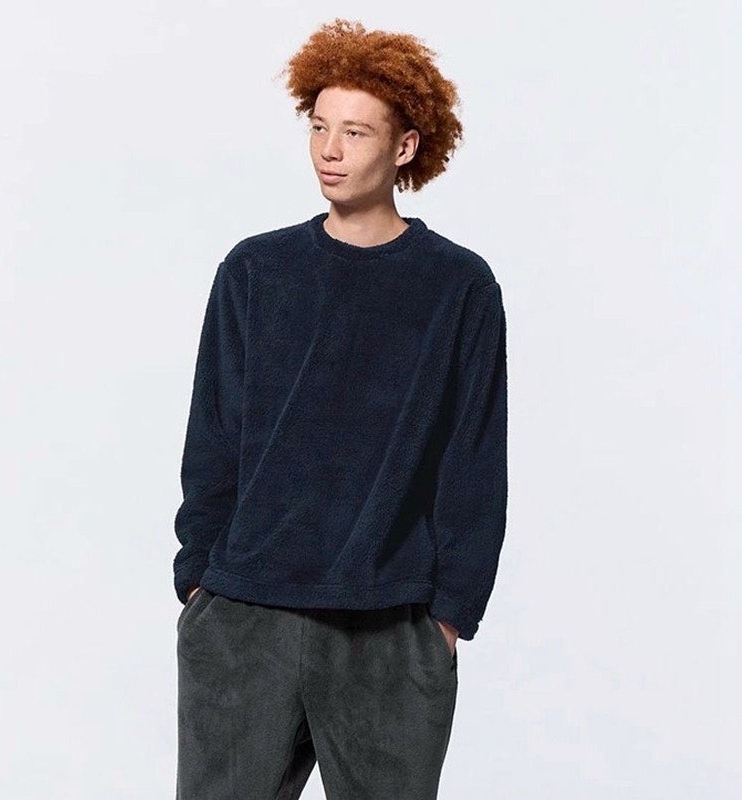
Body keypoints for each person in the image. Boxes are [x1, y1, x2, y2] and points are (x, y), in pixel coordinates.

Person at [173, 18, 508, 800]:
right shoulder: (256, 270)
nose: (329, 150)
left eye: (355, 132)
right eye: (319, 127)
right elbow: (214, 433)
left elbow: (473, 458)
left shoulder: (458, 287)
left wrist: (448, 618)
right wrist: (198, 582)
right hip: (245, 614)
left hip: (389, 625)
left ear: (405, 147)